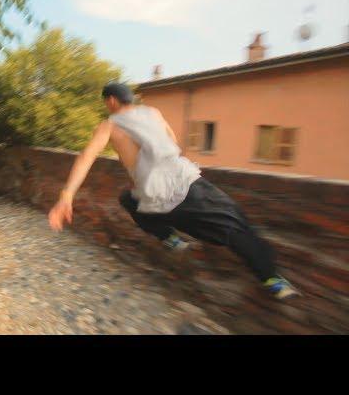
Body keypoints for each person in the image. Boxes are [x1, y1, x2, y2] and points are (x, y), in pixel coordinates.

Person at [48, 82, 298, 300]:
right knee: (234, 223)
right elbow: (173, 142)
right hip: (186, 186)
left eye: (106, 103)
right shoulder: (153, 112)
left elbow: (87, 157)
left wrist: (66, 196)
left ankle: (170, 238)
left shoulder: (110, 125)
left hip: (153, 197)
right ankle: (272, 279)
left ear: (111, 101)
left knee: (128, 199)